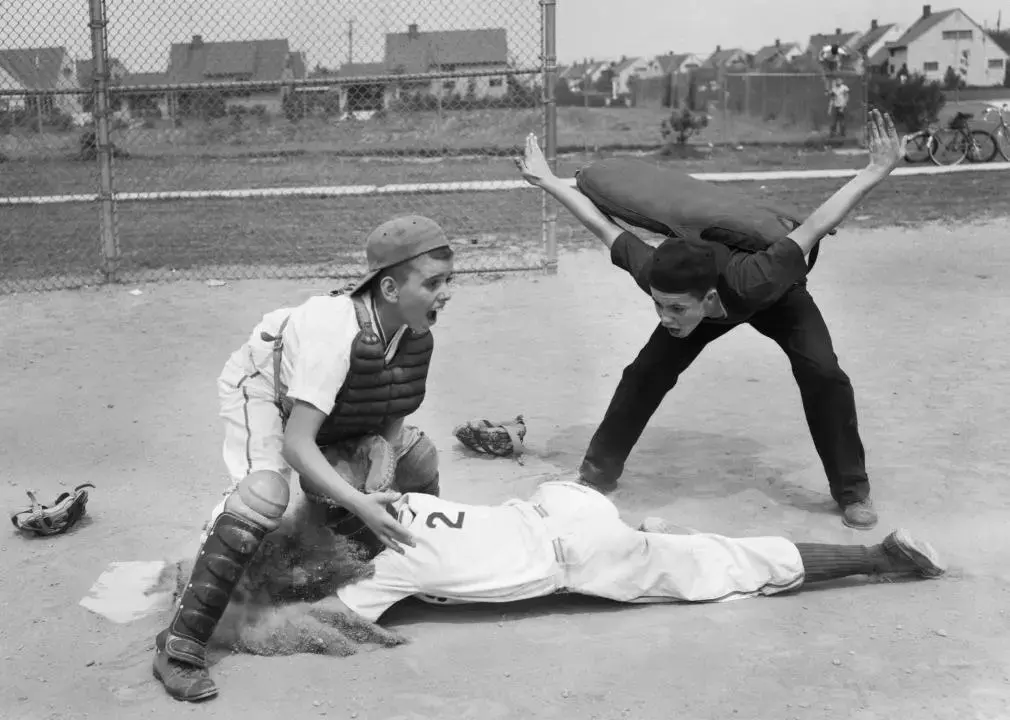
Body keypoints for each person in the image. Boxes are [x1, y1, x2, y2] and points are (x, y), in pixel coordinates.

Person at [514, 110, 909, 531]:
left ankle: (852, 491)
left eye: (675, 309)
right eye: (658, 305)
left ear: (708, 298)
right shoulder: (657, 274)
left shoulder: (757, 278)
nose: (666, 318)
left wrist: (875, 170)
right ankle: (596, 475)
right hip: (706, 298)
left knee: (823, 372)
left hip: (777, 300)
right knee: (644, 373)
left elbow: (816, 224)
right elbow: (599, 223)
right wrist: (549, 180)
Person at [153, 215, 455, 702]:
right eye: (434, 282)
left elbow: (388, 415)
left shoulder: (413, 334)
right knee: (264, 496)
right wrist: (358, 501)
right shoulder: (332, 337)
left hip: (323, 401)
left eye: (449, 281)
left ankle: (361, 572)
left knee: (415, 458)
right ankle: (180, 644)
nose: (446, 293)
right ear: (392, 288)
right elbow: (297, 444)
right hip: (265, 389)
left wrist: (373, 481)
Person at [325, 474, 944, 625]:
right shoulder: (397, 497)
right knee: (660, 545)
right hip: (560, 500)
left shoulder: (391, 564)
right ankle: (655, 537)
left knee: (730, 565)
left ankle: (882, 559)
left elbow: (330, 621)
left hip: (583, 552)